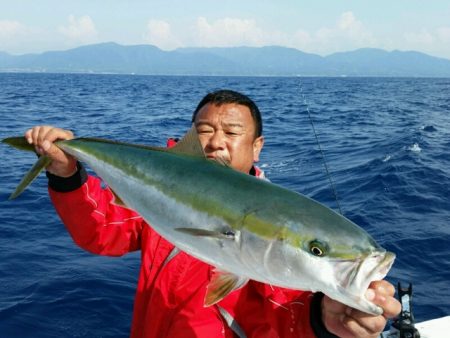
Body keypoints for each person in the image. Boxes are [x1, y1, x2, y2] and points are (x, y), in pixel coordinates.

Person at [26, 90, 400, 338]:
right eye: (203, 130)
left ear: (257, 148)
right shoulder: (159, 199)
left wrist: (323, 318)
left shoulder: (277, 219)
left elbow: (286, 310)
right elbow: (102, 230)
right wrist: (67, 174)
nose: (216, 141)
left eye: (232, 132)